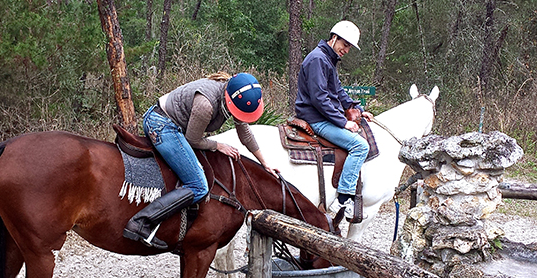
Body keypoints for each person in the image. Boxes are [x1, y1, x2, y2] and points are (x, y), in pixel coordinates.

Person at [123, 72, 278, 249]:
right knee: (199, 185)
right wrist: (217, 145)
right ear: (231, 102)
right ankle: (141, 223)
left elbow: (245, 133)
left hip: (178, 127)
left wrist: (265, 162)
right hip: (162, 125)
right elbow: (193, 140)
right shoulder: (206, 105)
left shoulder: (230, 93)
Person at [294, 20, 372, 220]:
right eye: (344, 44)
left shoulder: (328, 60)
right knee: (360, 146)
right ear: (334, 37)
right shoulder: (318, 59)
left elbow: (338, 92)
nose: (346, 50)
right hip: (316, 119)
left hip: (322, 116)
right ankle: (343, 198)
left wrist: (357, 109)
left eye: (349, 47)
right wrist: (343, 121)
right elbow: (319, 98)